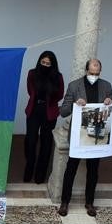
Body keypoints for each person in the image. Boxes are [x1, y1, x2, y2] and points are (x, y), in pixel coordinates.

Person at [59, 59, 112, 217]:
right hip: (78, 135)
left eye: (97, 74)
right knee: (71, 169)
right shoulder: (74, 86)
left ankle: (90, 202)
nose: (94, 76)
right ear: (86, 71)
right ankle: (65, 202)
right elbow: (63, 111)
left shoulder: (106, 86)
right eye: (91, 73)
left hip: (97, 135)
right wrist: (75, 104)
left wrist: (110, 103)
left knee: (93, 170)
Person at [23, 50, 64, 184]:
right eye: (43, 62)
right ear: (39, 61)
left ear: (53, 64)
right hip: (34, 110)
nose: (45, 65)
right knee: (31, 141)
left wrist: (50, 100)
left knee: (46, 143)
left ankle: (40, 175)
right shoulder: (32, 73)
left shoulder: (58, 76)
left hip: (49, 112)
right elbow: (30, 91)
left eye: (48, 63)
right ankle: (29, 169)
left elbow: (60, 95)